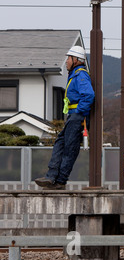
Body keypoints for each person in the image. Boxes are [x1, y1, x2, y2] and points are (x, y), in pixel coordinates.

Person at [35, 46, 95, 190]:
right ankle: (51, 176)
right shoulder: (75, 73)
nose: (66, 61)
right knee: (60, 144)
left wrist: (79, 112)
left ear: (76, 60)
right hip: (73, 116)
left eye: (68, 58)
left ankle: (60, 181)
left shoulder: (80, 75)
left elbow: (89, 95)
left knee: (69, 148)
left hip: (77, 117)